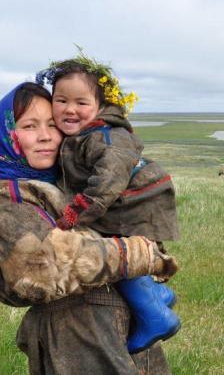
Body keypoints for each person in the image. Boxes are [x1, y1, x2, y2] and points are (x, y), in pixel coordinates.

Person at [0, 82, 175, 374]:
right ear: (8, 135)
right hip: (76, 332)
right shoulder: (8, 196)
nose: (45, 136)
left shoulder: (64, 180)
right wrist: (142, 253)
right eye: (30, 126)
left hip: (121, 323)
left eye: (52, 125)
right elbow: (45, 269)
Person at [36, 50, 180, 353]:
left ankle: (155, 316)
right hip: (129, 201)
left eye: (81, 102)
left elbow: (106, 184)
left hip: (138, 203)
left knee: (118, 251)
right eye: (61, 101)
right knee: (118, 245)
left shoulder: (106, 137)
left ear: (100, 105)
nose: (69, 109)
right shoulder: (84, 135)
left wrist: (75, 214)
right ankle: (157, 295)